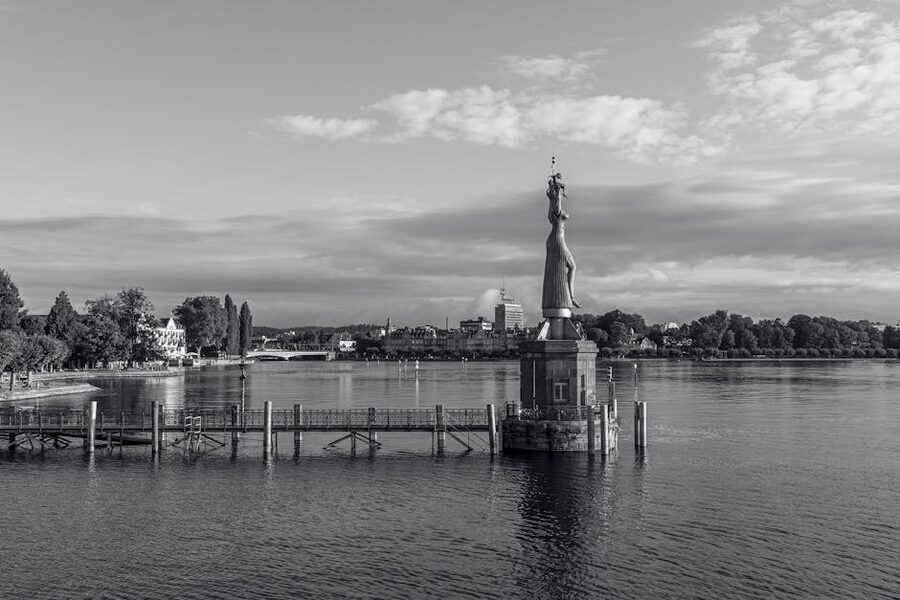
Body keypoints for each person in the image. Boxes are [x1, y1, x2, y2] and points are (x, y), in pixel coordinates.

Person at [542, 171, 581, 309]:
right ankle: (571, 297)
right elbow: (558, 207)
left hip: (555, 239)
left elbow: (555, 204)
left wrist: (555, 188)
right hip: (557, 239)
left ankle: (571, 296)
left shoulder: (552, 208)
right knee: (572, 267)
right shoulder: (556, 211)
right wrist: (558, 192)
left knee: (571, 267)